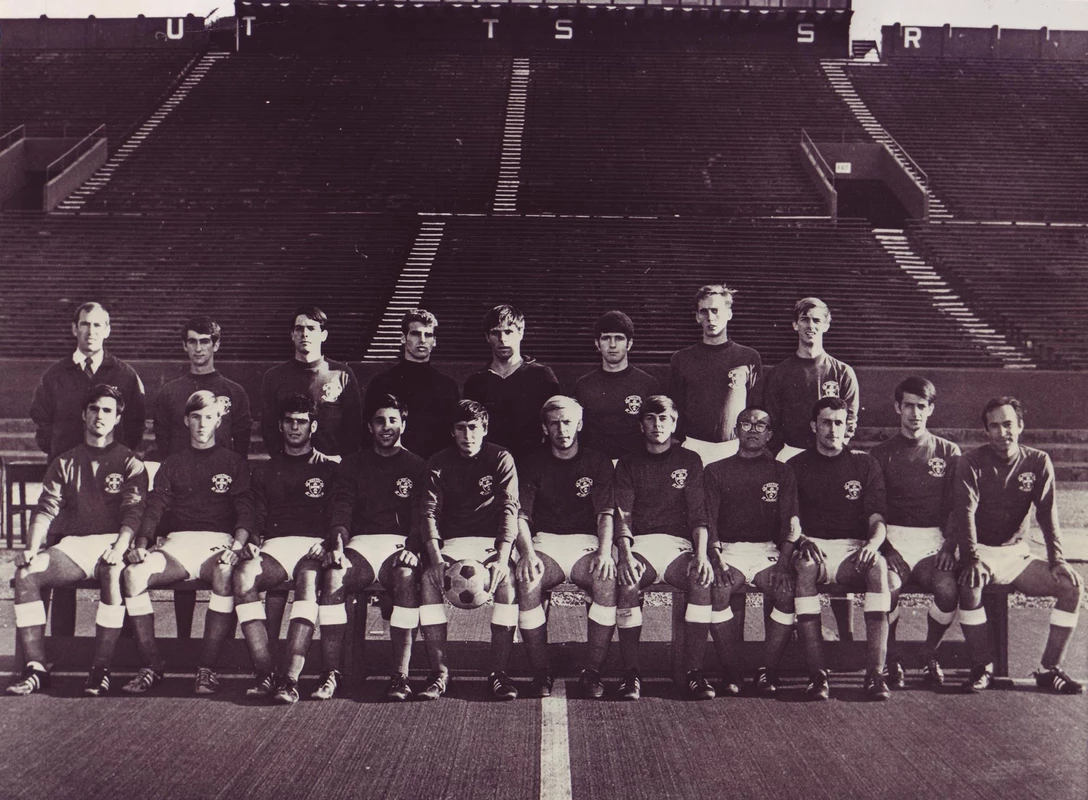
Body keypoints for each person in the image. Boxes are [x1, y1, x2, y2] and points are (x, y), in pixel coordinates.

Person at [6, 385, 147, 697]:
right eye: (94, 409)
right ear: (84, 414)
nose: (99, 415)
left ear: (117, 418)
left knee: (113, 572)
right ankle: (37, 668)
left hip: (113, 543)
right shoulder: (64, 462)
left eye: (107, 410)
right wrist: (30, 548)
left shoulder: (129, 462)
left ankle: (100, 669)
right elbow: (45, 509)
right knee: (26, 574)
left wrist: (119, 547)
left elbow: (133, 513)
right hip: (74, 545)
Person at [120, 390, 254, 695]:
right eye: (196, 417)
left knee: (224, 573)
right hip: (177, 546)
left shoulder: (234, 463)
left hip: (217, 544)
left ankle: (207, 668)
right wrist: (142, 543)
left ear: (219, 420)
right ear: (186, 420)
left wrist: (236, 547)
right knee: (132, 575)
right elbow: (155, 507)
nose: (202, 424)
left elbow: (246, 511)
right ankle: (152, 665)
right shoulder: (172, 464)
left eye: (208, 417)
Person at [955, 397, 1083, 694]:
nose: (1003, 432)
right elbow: (965, 514)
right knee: (970, 586)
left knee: (1071, 587)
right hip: (982, 551)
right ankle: (982, 665)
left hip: (1016, 554)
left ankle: (1049, 669)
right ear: (986, 432)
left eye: (1008, 424)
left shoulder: (1038, 461)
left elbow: (1048, 514)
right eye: (995, 426)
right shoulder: (971, 462)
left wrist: (1058, 560)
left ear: (1021, 426)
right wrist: (972, 558)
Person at [313, 393, 426, 702]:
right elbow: (342, 510)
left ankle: (400, 675)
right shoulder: (352, 464)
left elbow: (422, 516)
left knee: (405, 576)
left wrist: (414, 547)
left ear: (404, 423)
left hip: (398, 545)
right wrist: (337, 542)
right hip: (361, 545)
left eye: (393, 420)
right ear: (369, 426)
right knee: (334, 576)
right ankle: (330, 673)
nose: (386, 427)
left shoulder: (417, 465)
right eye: (379, 421)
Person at [232, 395, 338, 703]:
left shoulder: (330, 470)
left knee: (307, 582)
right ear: (280, 426)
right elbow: (256, 515)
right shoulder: (265, 471)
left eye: (302, 421)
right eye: (289, 421)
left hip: (312, 548)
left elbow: (340, 515)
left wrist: (328, 543)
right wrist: (252, 543)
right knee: (243, 577)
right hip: (276, 548)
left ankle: (290, 679)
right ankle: (266, 672)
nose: (295, 427)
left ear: (313, 426)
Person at [514, 396, 617, 699]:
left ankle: (592, 672)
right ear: (545, 428)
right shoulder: (532, 463)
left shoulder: (597, 461)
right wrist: (528, 554)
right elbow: (521, 517)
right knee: (528, 578)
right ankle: (541, 671)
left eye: (568, 422)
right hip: (546, 542)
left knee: (606, 578)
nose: (562, 429)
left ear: (580, 424)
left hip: (586, 543)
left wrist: (604, 552)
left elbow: (605, 514)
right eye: (555, 423)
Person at [417, 400, 521, 700]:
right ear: (452, 432)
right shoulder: (438, 462)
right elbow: (428, 511)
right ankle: (439, 673)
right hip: (453, 542)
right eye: (461, 429)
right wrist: (436, 560)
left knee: (508, 583)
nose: (468, 435)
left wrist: (501, 559)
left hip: (489, 542)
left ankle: (499, 673)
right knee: (427, 581)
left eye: (474, 428)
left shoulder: (500, 457)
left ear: (484, 429)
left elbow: (508, 508)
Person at [790, 397, 892, 701]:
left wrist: (873, 544)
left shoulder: (864, 463)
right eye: (826, 422)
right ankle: (817, 674)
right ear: (814, 425)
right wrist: (802, 540)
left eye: (839, 422)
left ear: (848, 425)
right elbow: (790, 519)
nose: (833, 429)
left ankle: (875, 673)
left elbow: (878, 519)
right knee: (804, 568)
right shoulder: (796, 465)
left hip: (852, 550)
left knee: (878, 566)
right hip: (814, 546)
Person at [613, 395, 714, 701]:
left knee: (700, 579)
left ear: (674, 422)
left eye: (664, 419)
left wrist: (701, 555)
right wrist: (625, 555)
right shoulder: (628, 462)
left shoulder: (690, 460)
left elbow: (699, 514)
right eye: (650, 419)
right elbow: (624, 515)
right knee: (628, 582)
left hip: (677, 547)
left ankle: (695, 672)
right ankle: (631, 673)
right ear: (640, 424)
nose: (657, 425)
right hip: (641, 545)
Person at [869, 377, 961, 688]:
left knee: (948, 590)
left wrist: (949, 545)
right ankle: (892, 655)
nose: (915, 413)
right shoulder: (880, 453)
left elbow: (957, 508)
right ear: (898, 407)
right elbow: (872, 508)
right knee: (888, 588)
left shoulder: (949, 452)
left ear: (931, 409)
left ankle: (928, 652)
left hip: (931, 540)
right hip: (893, 538)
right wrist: (886, 549)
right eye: (908, 405)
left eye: (921, 406)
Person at [703, 406, 800, 697]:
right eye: (747, 424)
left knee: (785, 591)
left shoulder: (782, 472)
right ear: (736, 430)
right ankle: (731, 670)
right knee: (717, 590)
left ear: (770, 434)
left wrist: (784, 562)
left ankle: (767, 669)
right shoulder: (716, 470)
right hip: (729, 551)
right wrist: (716, 557)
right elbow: (708, 520)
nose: (753, 430)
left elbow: (790, 521)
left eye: (761, 425)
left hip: (767, 551)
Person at [30, 301, 146, 461]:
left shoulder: (126, 375)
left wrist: (116, 455)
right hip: (66, 469)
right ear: (74, 328)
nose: (91, 331)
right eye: (85, 324)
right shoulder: (53, 376)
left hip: (110, 467)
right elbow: (41, 422)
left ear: (107, 330)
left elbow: (136, 424)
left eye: (97, 325)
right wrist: (60, 451)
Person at [670, 285, 762, 466]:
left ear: (729, 314)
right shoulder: (681, 359)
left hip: (734, 447)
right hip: (694, 448)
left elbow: (755, 408)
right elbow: (675, 407)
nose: (710, 317)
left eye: (715, 310)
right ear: (697, 317)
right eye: (704, 311)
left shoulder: (748, 357)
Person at [757, 298, 858, 462]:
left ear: (826, 325)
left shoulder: (843, 372)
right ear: (795, 324)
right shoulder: (779, 373)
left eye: (817, 320)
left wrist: (834, 450)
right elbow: (771, 423)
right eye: (805, 319)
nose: (811, 326)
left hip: (830, 455)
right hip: (791, 454)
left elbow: (850, 421)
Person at [261, 306, 362, 459]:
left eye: (311, 328)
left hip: (332, 466)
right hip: (289, 466)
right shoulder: (274, 376)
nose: (305, 334)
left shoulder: (341, 374)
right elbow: (269, 428)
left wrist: (344, 464)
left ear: (324, 335)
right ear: (292, 335)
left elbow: (353, 426)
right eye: (299, 329)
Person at [463, 304, 560, 463]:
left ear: (521, 333)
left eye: (509, 331)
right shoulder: (476, 381)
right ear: (487, 337)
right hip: (489, 464)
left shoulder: (542, 375)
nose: (503, 339)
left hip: (533, 464)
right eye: (496, 333)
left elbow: (555, 424)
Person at [363, 309, 459, 460]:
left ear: (434, 341)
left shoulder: (447, 386)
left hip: (435, 469)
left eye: (428, 335)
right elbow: (368, 433)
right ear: (403, 338)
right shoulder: (382, 383)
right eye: (415, 334)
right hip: (392, 467)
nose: (422, 340)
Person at [153, 316, 252, 459]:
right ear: (185, 345)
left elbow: (242, 443)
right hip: (181, 474)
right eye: (192, 341)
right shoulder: (169, 392)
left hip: (220, 473)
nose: (198, 349)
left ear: (216, 345)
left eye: (204, 341)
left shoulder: (235, 392)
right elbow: (162, 440)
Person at [573, 311, 661, 460]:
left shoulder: (648, 384)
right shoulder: (583, 385)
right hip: (595, 466)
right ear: (597, 343)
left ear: (629, 343)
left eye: (619, 338)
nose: (612, 345)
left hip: (636, 465)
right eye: (606, 338)